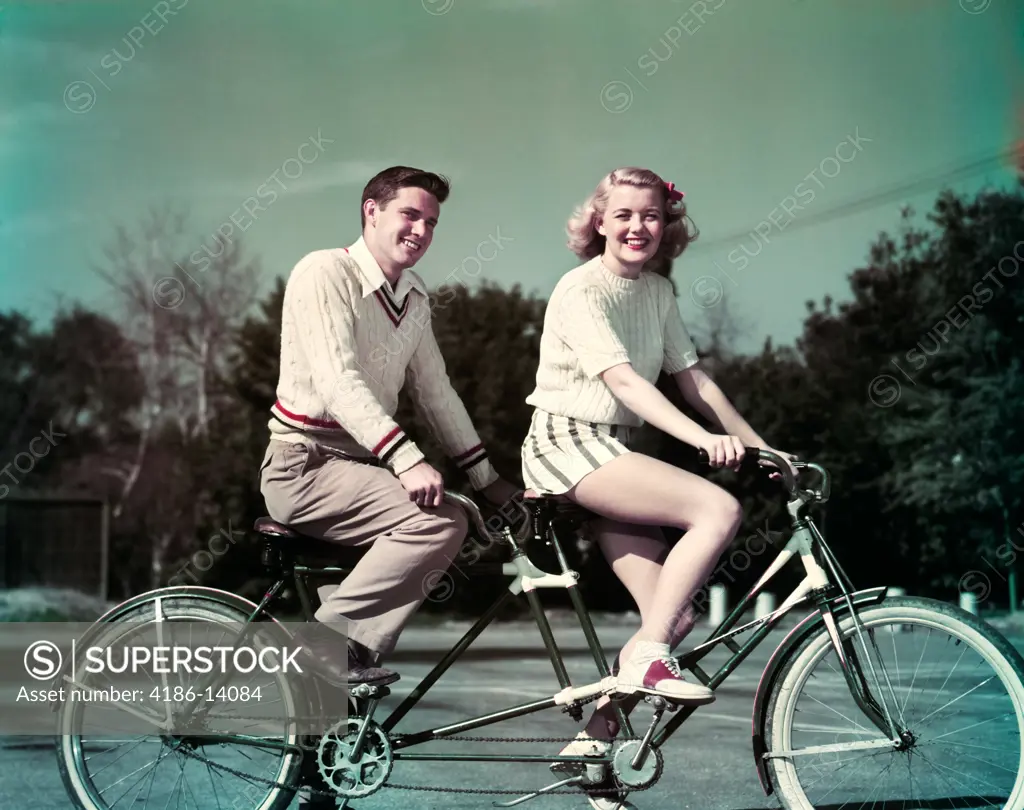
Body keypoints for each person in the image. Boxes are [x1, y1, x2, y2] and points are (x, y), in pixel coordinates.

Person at [520, 166, 797, 810]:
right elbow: (624, 383)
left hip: (608, 449)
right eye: (623, 215)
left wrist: (760, 446)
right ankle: (646, 656)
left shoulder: (658, 294)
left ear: (665, 224)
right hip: (564, 446)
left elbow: (695, 380)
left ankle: (590, 752)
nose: (637, 227)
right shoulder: (579, 289)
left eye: (650, 215)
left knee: (673, 614)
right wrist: (703, 443)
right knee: (716, 506)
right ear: (598, 222)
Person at [260, 165, 520, 690]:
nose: (421, 231)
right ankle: (324, 646)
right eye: (410, 215)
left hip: (358, 470)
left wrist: (489, 480)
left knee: (455, 512)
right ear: (371, 211)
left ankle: (330, 736)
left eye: (431, 222)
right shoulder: (325, 272)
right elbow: (338, 381)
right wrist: (407, 458)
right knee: (441, 522)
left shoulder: (414, 297)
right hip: (303, 466)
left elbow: (436, 392)